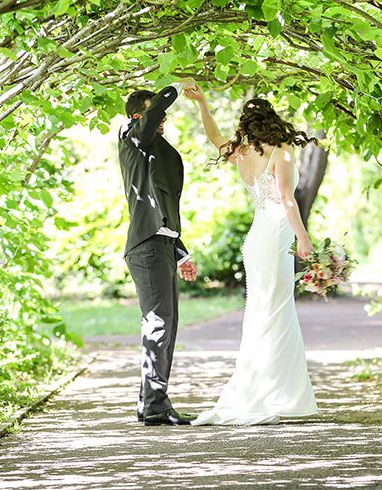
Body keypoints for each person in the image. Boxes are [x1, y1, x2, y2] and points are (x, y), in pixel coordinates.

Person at [184, 87, 319, 425]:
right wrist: (304, 238)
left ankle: (272, 393)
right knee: (275, 313)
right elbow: (287, 200)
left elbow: (214, 135)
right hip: (275, 235)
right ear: (271, 120)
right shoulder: (282, 150)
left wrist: (203, 103)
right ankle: (267, 396)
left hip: (257, 238)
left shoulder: (241, 153)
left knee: (263, 314)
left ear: (246, 123)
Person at [119, 78, 199, 426]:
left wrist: (180, 252)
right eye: (156, 115)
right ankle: (155, 404)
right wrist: (176, 87)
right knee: (158, 325)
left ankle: (148, 402)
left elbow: (165, 209)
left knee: (168, 325)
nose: (162, 120)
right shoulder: (131, 138)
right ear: (138, 116)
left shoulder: (154, 149)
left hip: (163, 246)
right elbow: (151, 119)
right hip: (147, 248)